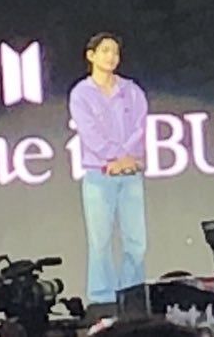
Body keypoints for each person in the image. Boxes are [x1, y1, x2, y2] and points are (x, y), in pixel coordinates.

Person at [70, 32, 149, 308]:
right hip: (99, 176)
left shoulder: (131, 90)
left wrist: (125, 158)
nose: (112, 57)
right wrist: (114, 157)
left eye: (115, 52)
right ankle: (102, 300)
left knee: (136, 242)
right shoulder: (81, 94)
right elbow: (89, 133)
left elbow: (140, 126)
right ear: (91, 56)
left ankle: (133, 294)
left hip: (130, 175)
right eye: (105, 51)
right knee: (100, 242)